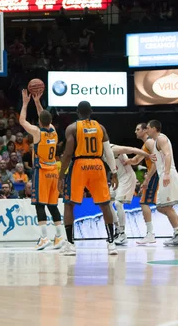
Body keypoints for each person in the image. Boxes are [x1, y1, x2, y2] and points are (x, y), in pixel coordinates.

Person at [58, 101, 119, 256]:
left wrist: (61, 175)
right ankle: (111, 243)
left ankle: (71, 245)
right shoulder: (101, 128)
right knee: (105, 205)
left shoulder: (72, 128)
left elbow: (67, 154)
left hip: (80, 165)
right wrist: (113, 172)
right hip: (98, 165)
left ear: (77, 112)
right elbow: (108, 152)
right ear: (91, 112)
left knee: (69, 204)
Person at [18, 90, 65, 251]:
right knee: (52, 205)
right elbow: (43, 116)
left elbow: (22, 120)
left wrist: (25, 103)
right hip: (54, 172)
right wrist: (37, 102)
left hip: (42, 172)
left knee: (39, 204)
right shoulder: (53, 131)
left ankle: (44, 238)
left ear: (39, 121)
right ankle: (59, 237)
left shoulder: (38, 133)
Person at [146, 120, 178, 246]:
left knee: (166, 207)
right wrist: (147, 180)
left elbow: (168, 155)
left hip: (168, 173)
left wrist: (167, 173)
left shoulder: (161, 138)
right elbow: (155, 165)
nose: (147, 130)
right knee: (160, 207)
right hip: (163, 173)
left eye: (148, 128)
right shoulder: (156, 143)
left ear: (154, 128)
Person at [106, 143, 152, 246]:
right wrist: (113, 177)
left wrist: (147, 155)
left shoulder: (113, 149)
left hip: (127, 177)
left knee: (118, 204)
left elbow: (132, 148)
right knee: (107, 203)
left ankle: (122, 234)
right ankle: (117, 229)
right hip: (118, 178)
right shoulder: (100, 152)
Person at [123, 123, 159, 244]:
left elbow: (156, 160)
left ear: (145, 130)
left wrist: (147, 178)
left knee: (144, 203)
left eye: (138, 129)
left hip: (155, 175)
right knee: (164, 206)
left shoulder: (149, 142)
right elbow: (136, 160)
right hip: (154, 175)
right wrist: (126, 161)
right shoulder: (145, 145)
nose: (135, 131)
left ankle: (150, 234)